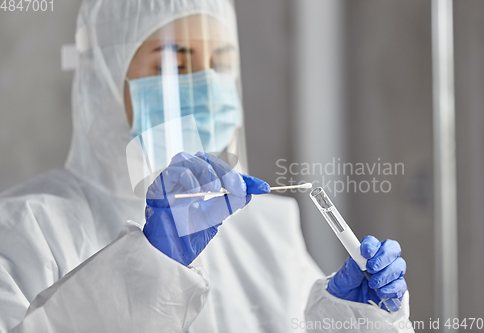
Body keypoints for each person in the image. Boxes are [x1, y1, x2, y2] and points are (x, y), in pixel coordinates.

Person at [0, 0, 412, 332]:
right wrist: (145, 274)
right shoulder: (26, 230)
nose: (207, 85)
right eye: (174, 64)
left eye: (221, 63)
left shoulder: (267, 230)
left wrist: (351, 323)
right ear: (107, 77)